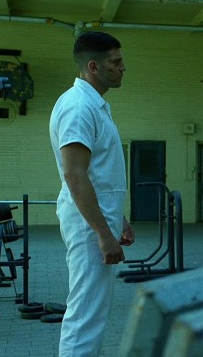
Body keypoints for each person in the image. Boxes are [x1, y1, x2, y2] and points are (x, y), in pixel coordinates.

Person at [49, 31, 135, 356]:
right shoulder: (78, 107)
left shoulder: (94, 106)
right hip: (88, 227)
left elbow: (98, 173)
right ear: (93, 67)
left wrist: (118, 218)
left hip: (96, 220)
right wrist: (103, 233)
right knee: (85, 314)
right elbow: (74, 174)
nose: (123, 68)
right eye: (116, 62)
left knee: (92, 311)